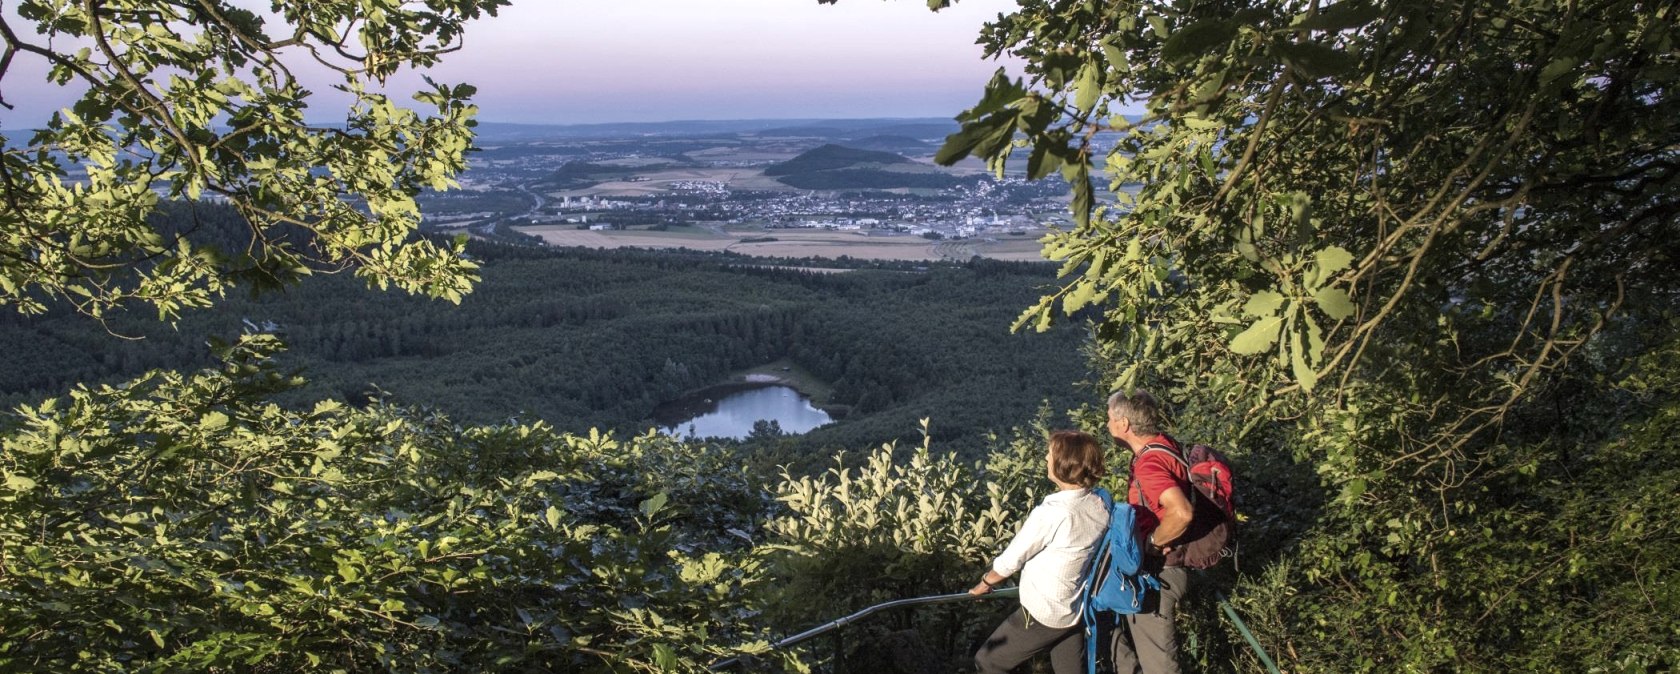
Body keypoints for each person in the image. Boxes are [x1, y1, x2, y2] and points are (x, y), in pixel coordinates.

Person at [970, 430, 1109, 674]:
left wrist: (985, 582)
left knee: (989, 661)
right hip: (1074, 607)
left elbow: (1011, 560)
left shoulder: (1053, 512)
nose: (1046, 459)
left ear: (1065, 464)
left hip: (1045, 611)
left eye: (1051, 455)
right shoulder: (1100, 503)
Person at [1105, 390, 1194, 674]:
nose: (1107, 426)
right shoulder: (1165, 446)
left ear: (1124, 424)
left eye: (1109, 419)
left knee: (1161, 667)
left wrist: (1154, 542)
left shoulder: (1150, 463)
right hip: (1177, 564)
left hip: (1161, 572)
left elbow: (1181, 512)